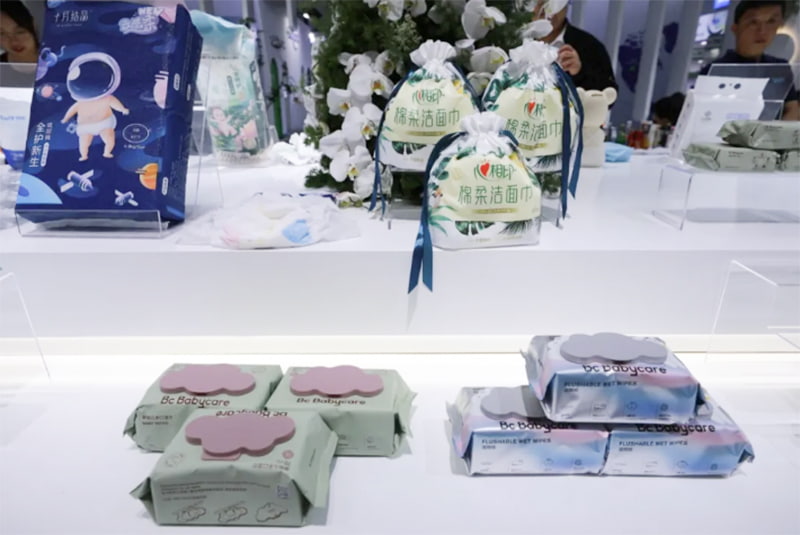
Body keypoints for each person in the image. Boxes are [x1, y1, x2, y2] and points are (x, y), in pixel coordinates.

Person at [700, 0, 799, 120]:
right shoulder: (714, 71)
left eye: (771, 21)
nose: (762, 31)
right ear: (735, 28)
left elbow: (792, 109)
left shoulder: (780, 68)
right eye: (753, 22)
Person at [532, 0, 618, 92]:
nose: (546, 10)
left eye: (554, 3)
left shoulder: (590, 46)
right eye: (539, 3)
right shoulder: (520, 41)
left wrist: (580, 72)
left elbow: (608, 92)